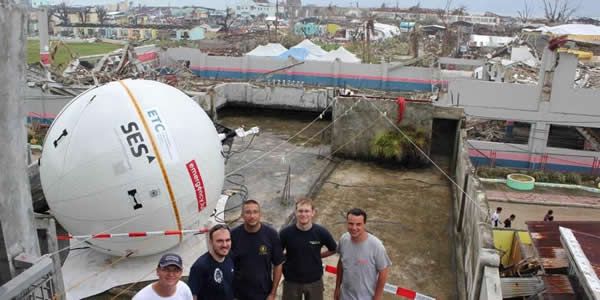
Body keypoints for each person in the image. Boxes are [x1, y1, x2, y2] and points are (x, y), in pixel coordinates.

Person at [279, 197, 337, 300]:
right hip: (291, 281)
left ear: (313, 213)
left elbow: (333, 249)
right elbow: (277, 253)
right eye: (300, 211)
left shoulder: (321, 232)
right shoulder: (285, 233)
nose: (303, 214)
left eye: (307, 211)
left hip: (314, 281)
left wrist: (318, 255)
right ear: (295, 212)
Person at [231, 200, 284, 300]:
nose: (252, 216)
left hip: (263, 294)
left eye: (255, 212)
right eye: (248, 212)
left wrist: (273, 293)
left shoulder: (271, 235)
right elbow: (227, 264)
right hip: (239, 295)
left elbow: (278, 264)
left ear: (260, 214)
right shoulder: (233, 235)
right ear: (242, 215)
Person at [334, 208, 391, 300]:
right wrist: (337, 288)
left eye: (358, 224)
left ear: (364, 224)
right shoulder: (344, 239)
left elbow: (383, 274)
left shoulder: (376, 246)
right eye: (351, 223)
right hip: (345, 296)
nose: (354, 228)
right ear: (347, 223)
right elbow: (341, 263)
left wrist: (377, 297)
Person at [188, 224, 235, 300]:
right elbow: (192, 296)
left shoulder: (230, 257)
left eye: (227, 240)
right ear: (211, 242)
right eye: (220, 241)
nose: (225, 245)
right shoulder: (200, 266)